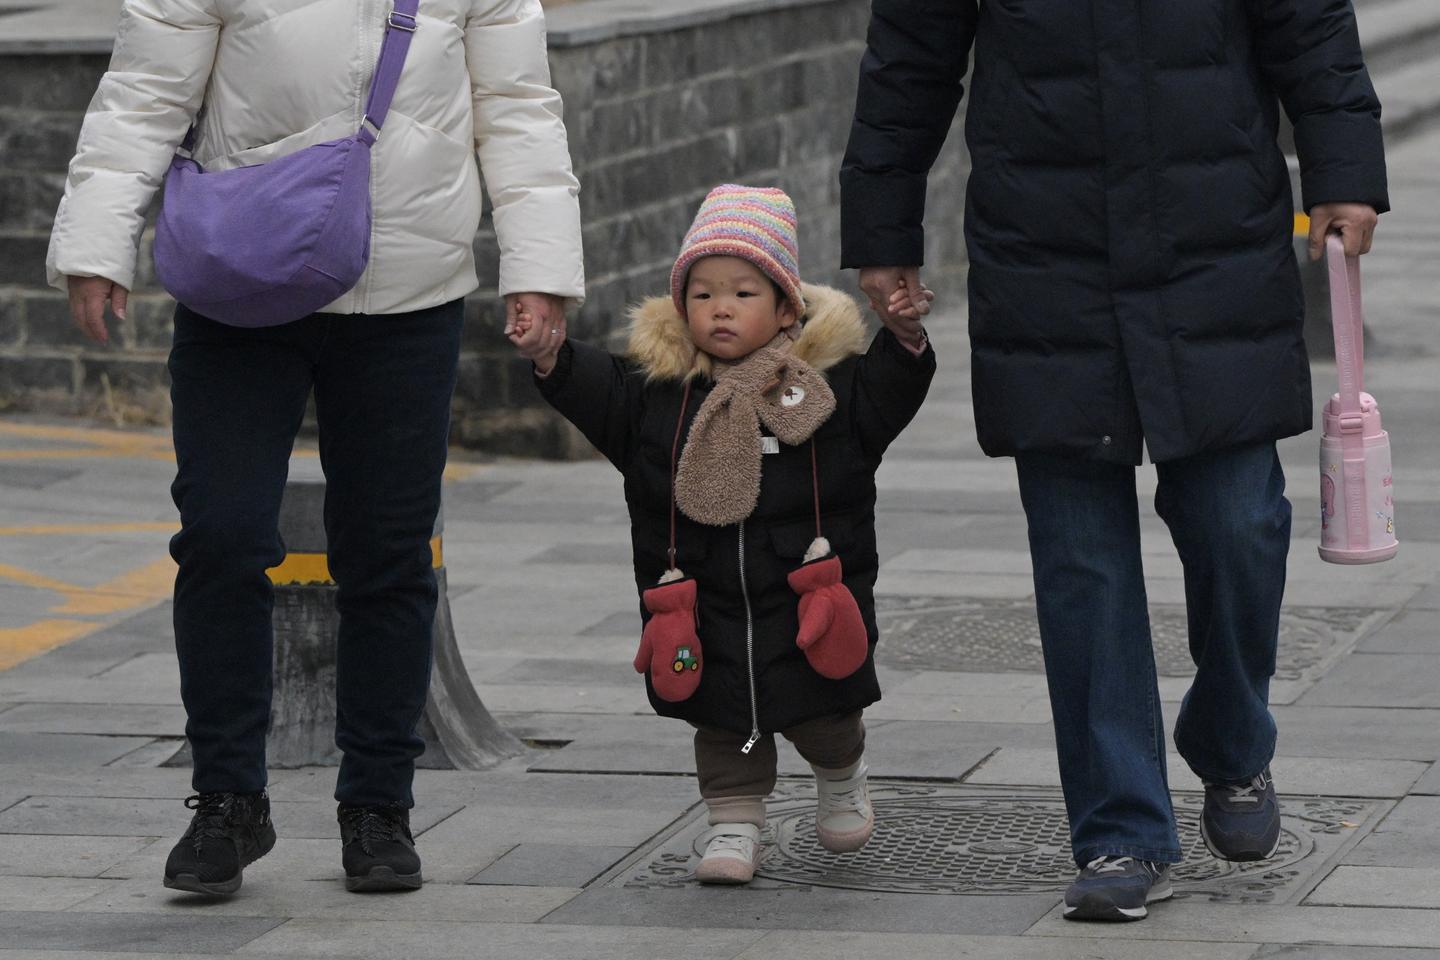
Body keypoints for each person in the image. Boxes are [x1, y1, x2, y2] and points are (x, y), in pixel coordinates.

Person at [839, 0, 1386, 922]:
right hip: (1044, 254)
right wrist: (884, 227)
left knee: (1241, 523)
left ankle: (1232, 736)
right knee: (1080, 562)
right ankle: (1120, 829)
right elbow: (909, 53)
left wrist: (1344, 172)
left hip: (1213, 242)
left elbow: (1310, 23)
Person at [45, 0, 583, 895]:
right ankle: (227, 800)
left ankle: (378, 805)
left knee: (389, 555)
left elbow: (520, 108)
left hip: (408, 295)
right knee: (219, 536)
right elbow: (141, 95)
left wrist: (539, 270)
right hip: (241, 284)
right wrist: (98, 245)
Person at [510, 185, 934, 883]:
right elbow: (594, 390)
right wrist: (553, 355)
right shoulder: (657, 396)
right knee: (725, 722)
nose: (721, 308)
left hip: (807, 598)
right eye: (702, 295)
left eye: (742, 292)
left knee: (823, 712)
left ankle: (841, 773)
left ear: (785, 306)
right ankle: (734, 824)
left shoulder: (826, 390)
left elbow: (892, 390)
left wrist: (907, 339)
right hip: (704, 602)